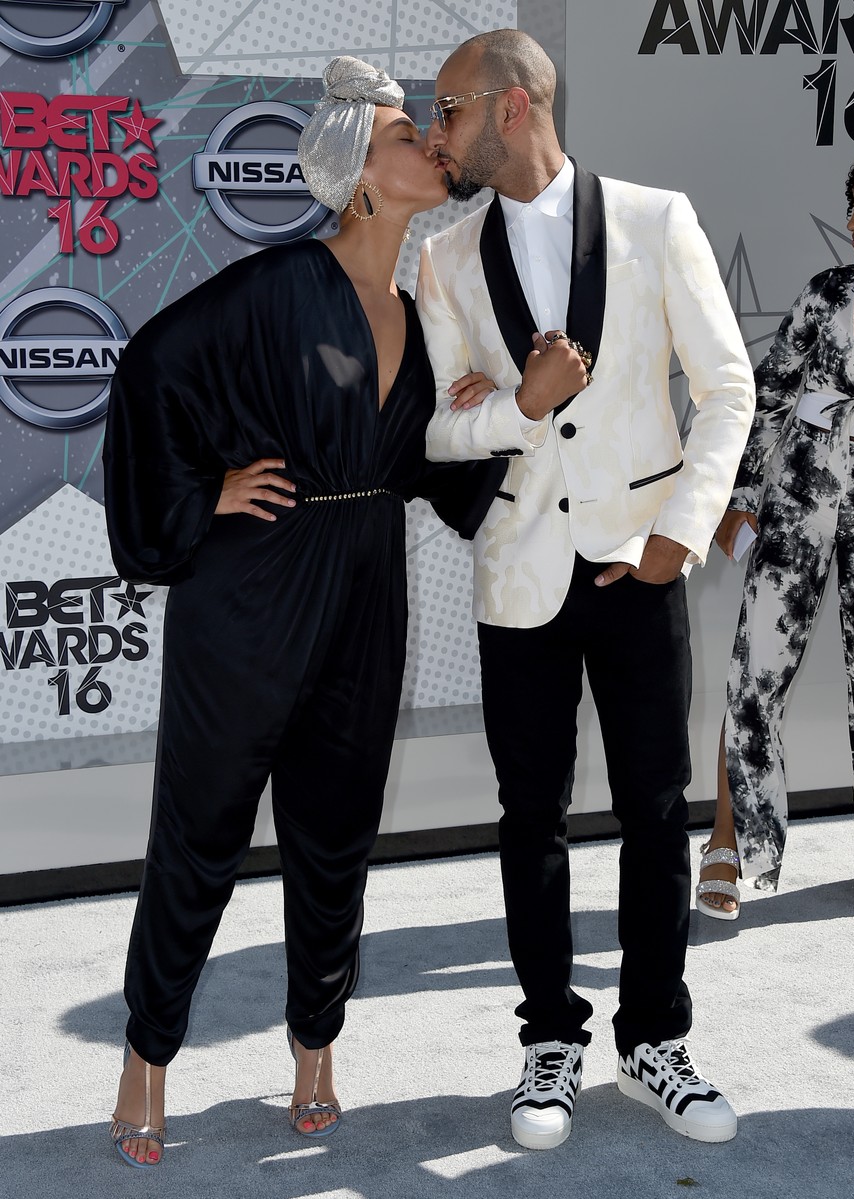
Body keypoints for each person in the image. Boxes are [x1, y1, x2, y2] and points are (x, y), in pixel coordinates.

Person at [103, 56, 490, 1168]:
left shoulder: (417, 312)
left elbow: (426, 465)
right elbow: (149, 375)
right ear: (362, 177)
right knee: (202, 830)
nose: (430, 143)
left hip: (366, 584)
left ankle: (315, 1048)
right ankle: (146, 1057)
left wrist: (486, 411)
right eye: (407, 134)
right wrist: (201, 493)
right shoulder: (278, 286)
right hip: (253, 589)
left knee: (336, 834)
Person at [416, 29, 755, 1150]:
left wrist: (681, 533)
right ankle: (548, 1038)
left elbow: (727, 384)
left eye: (452, 108)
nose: (437, 130)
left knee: (657, 811)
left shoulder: (658, 219)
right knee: (531, 817)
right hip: (520, 573)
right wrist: (520, 401)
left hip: (639, 562)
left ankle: (655, 1035)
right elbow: (438, 428)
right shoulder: (445, 253)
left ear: (513, 106)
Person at [697, 152, 854, 921]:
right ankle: (731, 841)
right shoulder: (823, 296)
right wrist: (741, 497)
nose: (853, 225)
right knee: (753, 669)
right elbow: (768, 399)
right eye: (853, 207)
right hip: (801, 502)